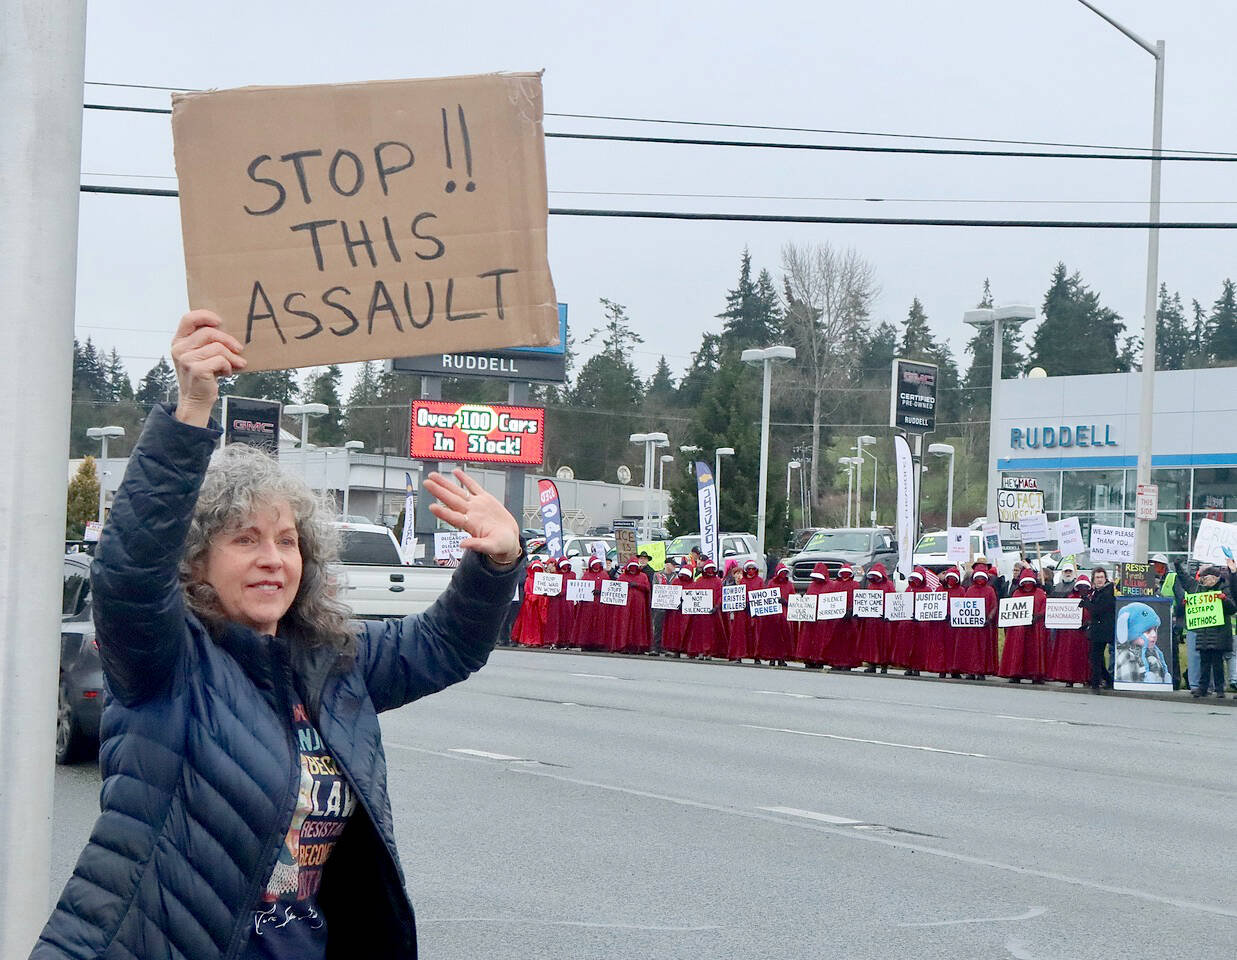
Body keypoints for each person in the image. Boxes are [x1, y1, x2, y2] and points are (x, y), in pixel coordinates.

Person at [34, 311, 524, 960]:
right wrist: (191, 412)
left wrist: (494, 563)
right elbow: (128, 571)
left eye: (287, 541)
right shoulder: (164, 663)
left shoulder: (332, 663)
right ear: (196, 563)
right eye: (245, 539)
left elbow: (445, 645)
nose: (273, 557)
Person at [1183, 560, 1237, 698]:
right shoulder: (1200, 590)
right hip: (1204, 632)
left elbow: (1232, 608)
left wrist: (1224, 599)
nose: (1207, 581)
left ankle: (1219, 689)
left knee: (1217, 662)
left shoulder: (1224, 588)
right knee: (1204, 662)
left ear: (1215, 578)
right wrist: (1187, 604)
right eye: (1204, 578)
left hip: (1219, 632)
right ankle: (1203, 687)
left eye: (1208, 578)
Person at [998, 568, 1048, 683]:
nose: (1027, 584)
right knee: (1018, 650)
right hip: (1019, 629)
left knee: (1034, 651)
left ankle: (1036, 674)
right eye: (1025, 581)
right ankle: (1016, 673)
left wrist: (1038, 616)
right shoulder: (1017, 593)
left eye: (1029, 581)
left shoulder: (1040, 593)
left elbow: (1044, 607)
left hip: (1035, 628)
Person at [1047, 575, 1092, 686]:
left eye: (1085, 586)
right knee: (1070, 657)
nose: (1083, 588)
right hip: (1070, 635)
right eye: (1080, 586)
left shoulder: (1091, 600)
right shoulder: (1070, 599)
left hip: (1084, 634)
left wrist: (1088, 622)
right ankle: (1069, 678)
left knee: (1085, 657)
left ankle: (1085, 678)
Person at [954, 565, 997, 680]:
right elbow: (964, 607)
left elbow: (994, 606)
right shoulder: (970, 590)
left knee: (983, 649)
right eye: (977, 577)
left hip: (984, 627)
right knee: (971, 648)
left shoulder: (990, 590)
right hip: (971, 627)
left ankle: (981, 671)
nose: (979, 580)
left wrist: (989, 618)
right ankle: (970, 671)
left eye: (981, 577)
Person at [1113, 601, 1171, 685]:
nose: (1154, 635)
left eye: (1155, 629)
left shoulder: (1154, 652)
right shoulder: (1127, 658)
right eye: (1147, 631)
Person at [1080, 566, 1116, 690]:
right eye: (1097, 577)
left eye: (1101, 577)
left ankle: (1096, 682)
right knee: (1097, 657)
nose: (1099, 580)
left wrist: (1086, 603)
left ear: (1105, 578)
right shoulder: (1097, 592)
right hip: (1098, 628)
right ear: (1093, 580)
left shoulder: (1108, 592)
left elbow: (1099, 610)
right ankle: (1107, 680)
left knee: (1095, 657)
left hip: (1104, 629)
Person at [683, 559, 727, 659]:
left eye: (712, 569)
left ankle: (709, 652)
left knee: (711, 634)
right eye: (708, 569)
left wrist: (716, 606)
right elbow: (693, 595)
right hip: (700, 614)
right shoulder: (699, 580)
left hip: (712, 614)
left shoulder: (717, 581)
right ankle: (700, 651)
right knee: (699, 633)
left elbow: (721, 595)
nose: (710, 571)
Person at [822, 563, 862, 670]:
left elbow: (858, 600)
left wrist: (852, 610)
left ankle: (847, 663)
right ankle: (835, 662)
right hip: (836, 620)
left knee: (849, 642)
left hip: (850, 620)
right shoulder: (835, 585)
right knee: (836, 641)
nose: (845, 575)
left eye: (847, 573)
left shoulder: (855, 585)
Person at [857, 563, 894, 673]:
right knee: (871, 643)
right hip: (872, 621)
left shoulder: (889, 585)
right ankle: (871, 664)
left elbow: (892, 601)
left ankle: (884, 666)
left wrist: (887, 613)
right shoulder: (870, 586)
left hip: (883, 621)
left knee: (884, 643)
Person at [755, 562, 794, 667]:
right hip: (772, 616)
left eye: (785, 573)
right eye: (782, 573)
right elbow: (766, 598)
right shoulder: (771, 583)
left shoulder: (789, 585)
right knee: (772, 637)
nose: (783, 575)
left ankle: (781, 658)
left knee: (783, 637)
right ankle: (772, 657)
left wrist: (785, 602)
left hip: (784, 615)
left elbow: (793, 599)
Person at [794, 563, 832, 668]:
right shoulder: (812, 585)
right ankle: (808, 658)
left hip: (822, 619)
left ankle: (819, 659)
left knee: (820, 639)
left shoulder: (830, 585)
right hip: (810, 618)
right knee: (808, 638)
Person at [891, 566, 927, 675]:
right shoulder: (908, 589)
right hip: (909, 624)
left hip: (921, 625)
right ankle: (909, 667)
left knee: (919, 648)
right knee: (908, 647)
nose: (915, 581)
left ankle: (917, 668)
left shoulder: (927, 590)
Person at [568, 555, 609, 651]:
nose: (596, 566)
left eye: (598, 564)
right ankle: (586, 642)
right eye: (594, 564)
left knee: (600, 624)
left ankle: (600, 643)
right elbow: (581, 589)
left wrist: (600, 591)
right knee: (587, 624)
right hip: (588, 605)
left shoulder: (604, 575)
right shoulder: (586, 575)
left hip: (600, 604)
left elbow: (608, 588)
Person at [725, 559, 763, 662]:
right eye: (749, 569)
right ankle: (739, 655)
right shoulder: (742, 581)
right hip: (742, 611)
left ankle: (756, 656)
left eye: (753, 569)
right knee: (740, 634)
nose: (751, 570)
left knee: (755, 634)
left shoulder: (759, 580)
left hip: (755, 611)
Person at [616, 558, 653, 653]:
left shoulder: (643, 576)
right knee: (626, 624)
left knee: (638, 624)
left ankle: (639, 645)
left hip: (639, 605)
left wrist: (637, 585)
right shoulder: (622, 577)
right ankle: (624, 644)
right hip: (626, 606)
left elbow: (647, 588)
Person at [512, 558, 549, 647]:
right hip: (529, 605)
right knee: (529, 624)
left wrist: (542, 597)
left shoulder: (543, 580)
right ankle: (528, 640)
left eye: (538, 569)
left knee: (538, 625)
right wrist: (533, 598)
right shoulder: (528, 579)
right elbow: (527, 592)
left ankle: (538, 640)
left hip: (539, 605)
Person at [940, 566, 967, 678]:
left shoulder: (961, 590)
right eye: (949, 577)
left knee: (955, 648)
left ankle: (955, 669)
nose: (951, 580)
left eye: (953, 577)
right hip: (942, 625)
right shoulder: (940, 590)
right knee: (943, 647)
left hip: (956, 625)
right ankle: (942, 669)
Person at [661, 566, 694, 657]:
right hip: (675, 612)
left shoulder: (693, 584)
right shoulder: (675, 582)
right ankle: (675, 650)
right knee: (675, 631)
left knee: (687, 631)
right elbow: (670, 594)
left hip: (687, 613)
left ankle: (688, 651)